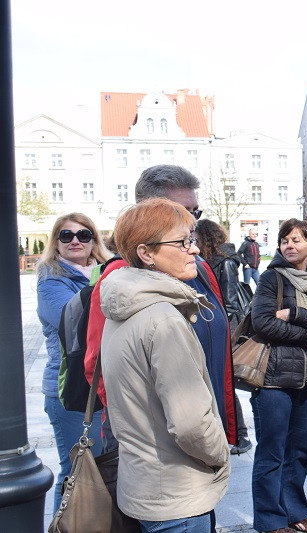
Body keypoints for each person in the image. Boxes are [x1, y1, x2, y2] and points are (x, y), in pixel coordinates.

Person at [85, 164, 237, 454]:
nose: (192, 222)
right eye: (181, 211)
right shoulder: (118, 279)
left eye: (196, 212)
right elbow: (98, 367)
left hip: (204, 428)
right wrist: (143, 431)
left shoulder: (200, 269)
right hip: (156, 444)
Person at [100, 198, 230, 531]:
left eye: (194, 240)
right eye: (183, 241)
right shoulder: (162, 319)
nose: (195, 250)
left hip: (150, 486)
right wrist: (220, 452)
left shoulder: (127, 307)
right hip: (176, 494)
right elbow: (190, 423)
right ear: (146, 253)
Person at [249, 218, 307, 533]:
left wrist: (296, 314)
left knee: (299, 452)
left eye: (297, 240)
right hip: (274, 379)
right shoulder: (271, 279)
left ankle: (295, 516)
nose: (290, 245)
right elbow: (262, 323)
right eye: (285, 240)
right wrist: (306, 336)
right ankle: (270, 522)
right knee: (272, 452)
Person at [36, 212, 110, 512]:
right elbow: (75, 319)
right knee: (77, 474)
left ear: (94, 241)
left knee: (104, 470)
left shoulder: (108, 271)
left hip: (105, 385)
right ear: (56, 243)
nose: (75, 241)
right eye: (66, 236)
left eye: (84, 235)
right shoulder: (51, 280)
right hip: (70, 391)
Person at [195, 218, 253, 455]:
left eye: (196, 239)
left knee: (225, 382)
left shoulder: (226, 262)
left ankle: (240, 436)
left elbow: (229, 303)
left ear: (206, 239)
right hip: (212, 324)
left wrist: (224, 336)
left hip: (224, 326)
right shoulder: (206, 261)